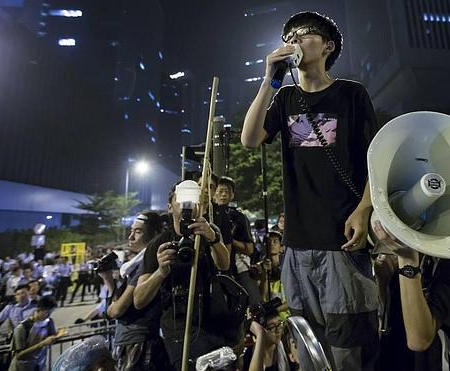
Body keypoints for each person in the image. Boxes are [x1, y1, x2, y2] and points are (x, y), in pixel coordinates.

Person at [241, 11, 380, 371]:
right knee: (309, 347)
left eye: (303, 34)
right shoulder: (285, 97)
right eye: (289, 36)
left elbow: (375, 162)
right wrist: (268, 79)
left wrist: (363, 209)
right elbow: (250, 138)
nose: (294, 40)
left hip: (342, 244)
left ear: (327, 46)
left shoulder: (351, 94)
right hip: (297, 246)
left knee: (349, 346)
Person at [134, 180, 231, 369]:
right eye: (182, 199)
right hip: (180, 328)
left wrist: (212, 239)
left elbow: (224, 264)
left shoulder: (210, 232)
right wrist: (161, 272)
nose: (188, 205)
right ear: (170, 207)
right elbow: (139, 299)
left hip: (214, 321)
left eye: (193, 199)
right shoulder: (158, 244)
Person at [371, 218, 450, 370]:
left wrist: (408, 261)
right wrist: (383, 282)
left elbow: (419, 340)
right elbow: (389, 320)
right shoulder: (401, 252)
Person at [107, 212, 170, 371]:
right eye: (131, 230)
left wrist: (111, 308)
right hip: (129, 341)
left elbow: (117, 310)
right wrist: (107, 278)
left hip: (138, 345)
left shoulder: (145, 265)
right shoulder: (133, 265)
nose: (131, 237)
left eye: (138, 231)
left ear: (155, 234)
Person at [215, 176, 260, 306]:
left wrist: (229, 239)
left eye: (227, 191)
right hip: (211, 265)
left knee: (255, 303)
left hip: (237, 266)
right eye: (220, 190)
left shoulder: (239, 217)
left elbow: (250, 249)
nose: (223, 194)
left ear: (232, 195)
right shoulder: (207, 213)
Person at [9, 295, 65, 371]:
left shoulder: (49, 322)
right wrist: (42, 343)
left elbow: (53, 335)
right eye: (47, 313)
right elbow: (19, 355)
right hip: (21, 367)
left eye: (50, 313)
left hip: (39, 365)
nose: (48, 316)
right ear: (38, 310)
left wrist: (59, 334)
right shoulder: (22, 328)